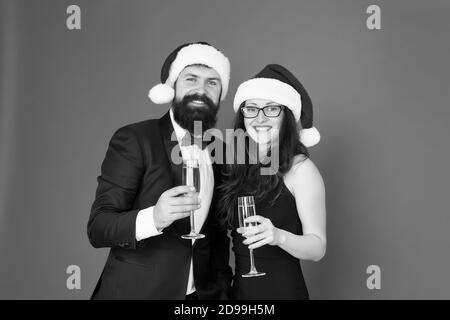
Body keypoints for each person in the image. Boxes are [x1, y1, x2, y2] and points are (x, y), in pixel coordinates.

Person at [87, 42, 232, 300]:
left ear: (221, 93)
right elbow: (99, 227)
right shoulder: (135, 138)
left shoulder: (218, 149)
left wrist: (221, 290)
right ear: (172, 86)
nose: (201, 89)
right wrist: (154, 217)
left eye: (212, 82)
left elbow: (217, 234)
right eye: (191, 79)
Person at [218, 64, 326, 300]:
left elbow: (318, 248)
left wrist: (278, 236)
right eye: (252, 109)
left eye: (271, 109)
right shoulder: (235, 167)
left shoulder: (301, 170)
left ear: (286, 115)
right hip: (240, 296)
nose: (260, 118)